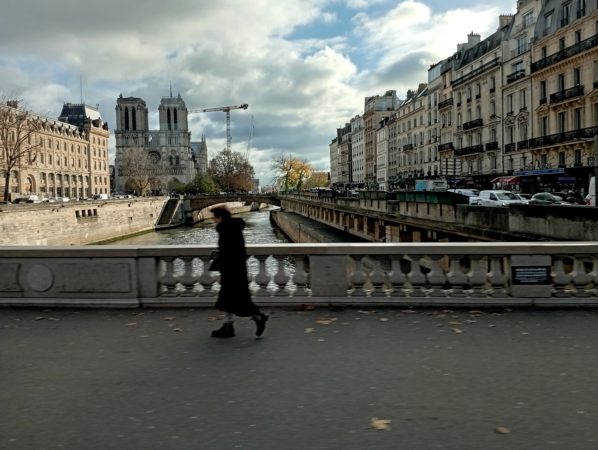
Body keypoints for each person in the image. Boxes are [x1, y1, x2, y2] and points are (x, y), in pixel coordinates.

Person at [209, 206, 268, 338]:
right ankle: (228, 326)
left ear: (220, 217)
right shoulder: (234, 227)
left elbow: (228, 252)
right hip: (237, 269)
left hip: (232, 271)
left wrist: (220, 259)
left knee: (237, 301)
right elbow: (235, 250)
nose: (213, 220)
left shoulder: (225, 229)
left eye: (214, 217)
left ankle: (258, 317)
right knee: (228, 300)